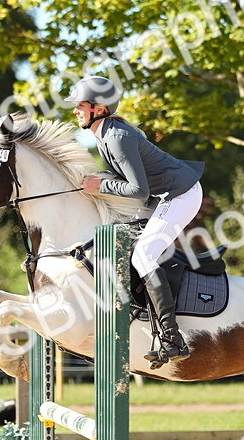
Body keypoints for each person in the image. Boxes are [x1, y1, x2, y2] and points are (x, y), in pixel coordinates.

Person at [64, 75, 204, 367]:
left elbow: (138, 191)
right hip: (164, 196)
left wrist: (98, 186)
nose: (74, 110)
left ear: (98, 109)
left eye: (80, 106)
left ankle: (172, 338)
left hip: (179, 195)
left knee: (143, 256)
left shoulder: (116, 137)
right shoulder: (105, 134)